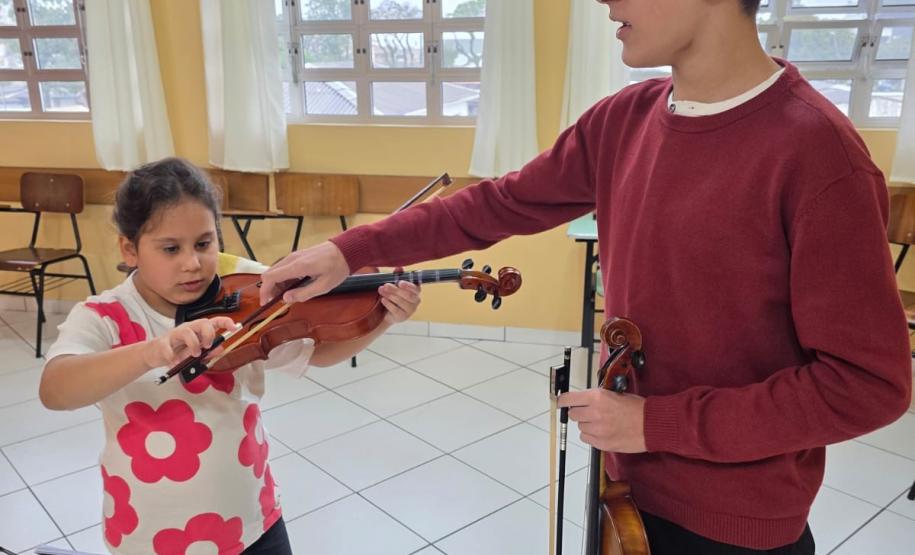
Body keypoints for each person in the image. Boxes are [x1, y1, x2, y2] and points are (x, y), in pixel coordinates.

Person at [257, 1, 913, 553]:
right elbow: (499, 203)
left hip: (733, 519)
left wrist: (657, 424)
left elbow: (867, 385)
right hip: (623, 481)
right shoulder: (624, 118)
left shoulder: (817, 155)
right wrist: (352, 249)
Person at [38, 158, 421, 554]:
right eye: (171, 248)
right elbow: (56, 389)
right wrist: (152, 352)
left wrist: (383, 319)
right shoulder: (105, 316)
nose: (193, 263)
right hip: (150, 534)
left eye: (204, 243)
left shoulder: (242, 297)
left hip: (253, 519)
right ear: (129, 249)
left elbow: (317, 354)